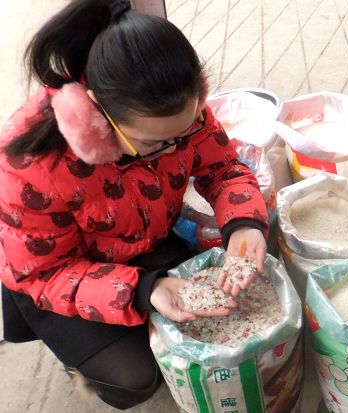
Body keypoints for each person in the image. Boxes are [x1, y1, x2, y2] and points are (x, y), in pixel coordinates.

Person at [0, 0, 269, 409]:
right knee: (136, 378)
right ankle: (80, 363)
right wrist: (145, 288)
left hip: (142, 236)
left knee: (210, 314)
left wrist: (245, 222)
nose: (175, 148)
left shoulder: (177, 107)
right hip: (59, 270)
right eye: (154, 143)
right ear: (94, 117)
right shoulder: (31, 164)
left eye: (185, 132)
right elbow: (42, 273)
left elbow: (224, 167)